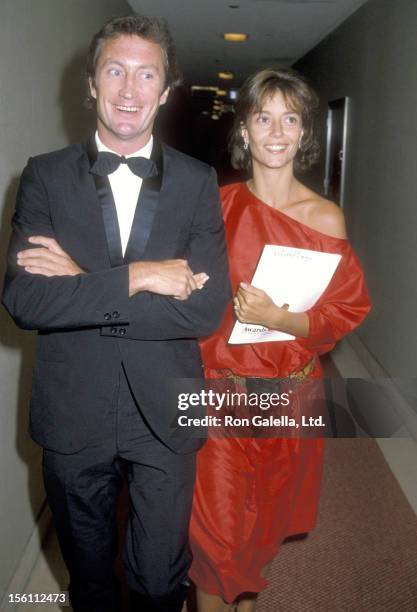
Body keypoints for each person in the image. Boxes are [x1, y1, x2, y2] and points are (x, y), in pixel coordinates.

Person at [2, 14, 230, 612]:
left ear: (166, 88)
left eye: (146, 74)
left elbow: (207, 308)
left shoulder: (197, 181)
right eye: (116, 70)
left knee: (158, 582)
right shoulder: (44, 177)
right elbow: (26, 300)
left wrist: (83, 283)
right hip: (74, 409)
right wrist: (140, 277)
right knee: (91, 582)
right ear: (91, 82)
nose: (130, 90)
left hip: (166, 406)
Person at [188, 68, 371, 612]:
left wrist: (280, 318)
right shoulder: (212, 209)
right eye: (262, 117)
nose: (275, 130)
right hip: (220, 397)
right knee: (215, 538)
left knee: (264, 526)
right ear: (243, 131)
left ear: (303, 133)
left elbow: (344, 311)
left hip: (290, 396)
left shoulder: (325, 218)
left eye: (289, 118)